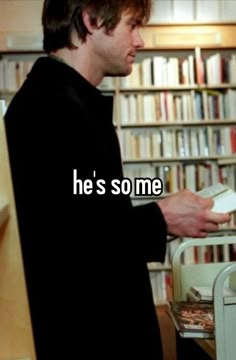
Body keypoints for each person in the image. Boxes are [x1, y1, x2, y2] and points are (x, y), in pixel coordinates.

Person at [4, 0, 230, 359]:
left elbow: (88, 206)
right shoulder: (49, 110)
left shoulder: (69, 100)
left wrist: (159, 204)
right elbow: (67, 245)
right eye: (133, 25)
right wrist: (161, 216)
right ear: (91, 20)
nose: (140, 40)